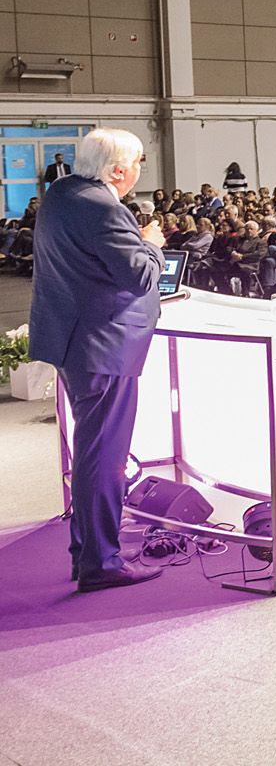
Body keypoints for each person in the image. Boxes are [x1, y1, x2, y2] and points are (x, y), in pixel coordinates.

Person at [30, 128, 166, 593]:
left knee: (91, 451)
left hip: (73, 340)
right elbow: (141, 275)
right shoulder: (106, 207)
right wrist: (151, 241)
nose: (140, 171)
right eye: (139, 164)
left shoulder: (62, 193)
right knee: (104, 457)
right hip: (104, 345)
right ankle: (102, 562)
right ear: (118, 171)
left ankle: (86, 551)